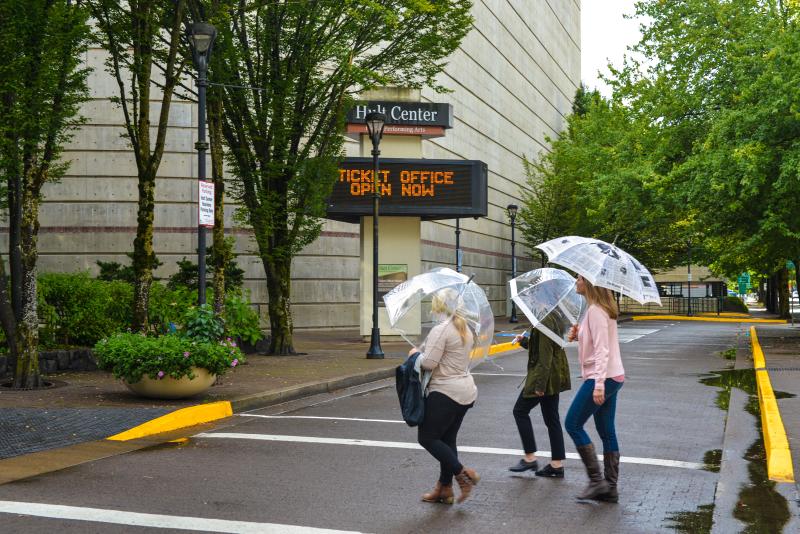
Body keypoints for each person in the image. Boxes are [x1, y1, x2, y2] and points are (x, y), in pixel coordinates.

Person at [413, 289, 480, 504]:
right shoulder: (465, 328)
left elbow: (429, 363)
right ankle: (444, 488)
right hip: (465, 391)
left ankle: (463, 475)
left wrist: (415, 355)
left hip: (446, 391)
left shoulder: (442, 329)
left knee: (427, 438)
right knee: (447, 440)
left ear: (439, 306)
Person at [565, 275, 624, 502]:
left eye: (579, 278)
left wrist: (598, 385)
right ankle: (610, 488)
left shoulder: (596, 311)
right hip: (613, 376)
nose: (576, 281)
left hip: (603, 377)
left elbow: (602, 350)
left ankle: (597, 481)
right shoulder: (599, 310)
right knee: (606, 430)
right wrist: (579, 335)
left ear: (589, 283)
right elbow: (598, 343)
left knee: (572, 424)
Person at [509, 313, 571, 477]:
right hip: (553, 376)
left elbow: (545, 357)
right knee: (552, 419)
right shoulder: (554, 317)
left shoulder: (544, 321)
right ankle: (557, 464)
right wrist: (524, 341)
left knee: (520, 411)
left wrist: (540, 386)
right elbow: (543, 347)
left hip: (544, 378)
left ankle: (530, 458)